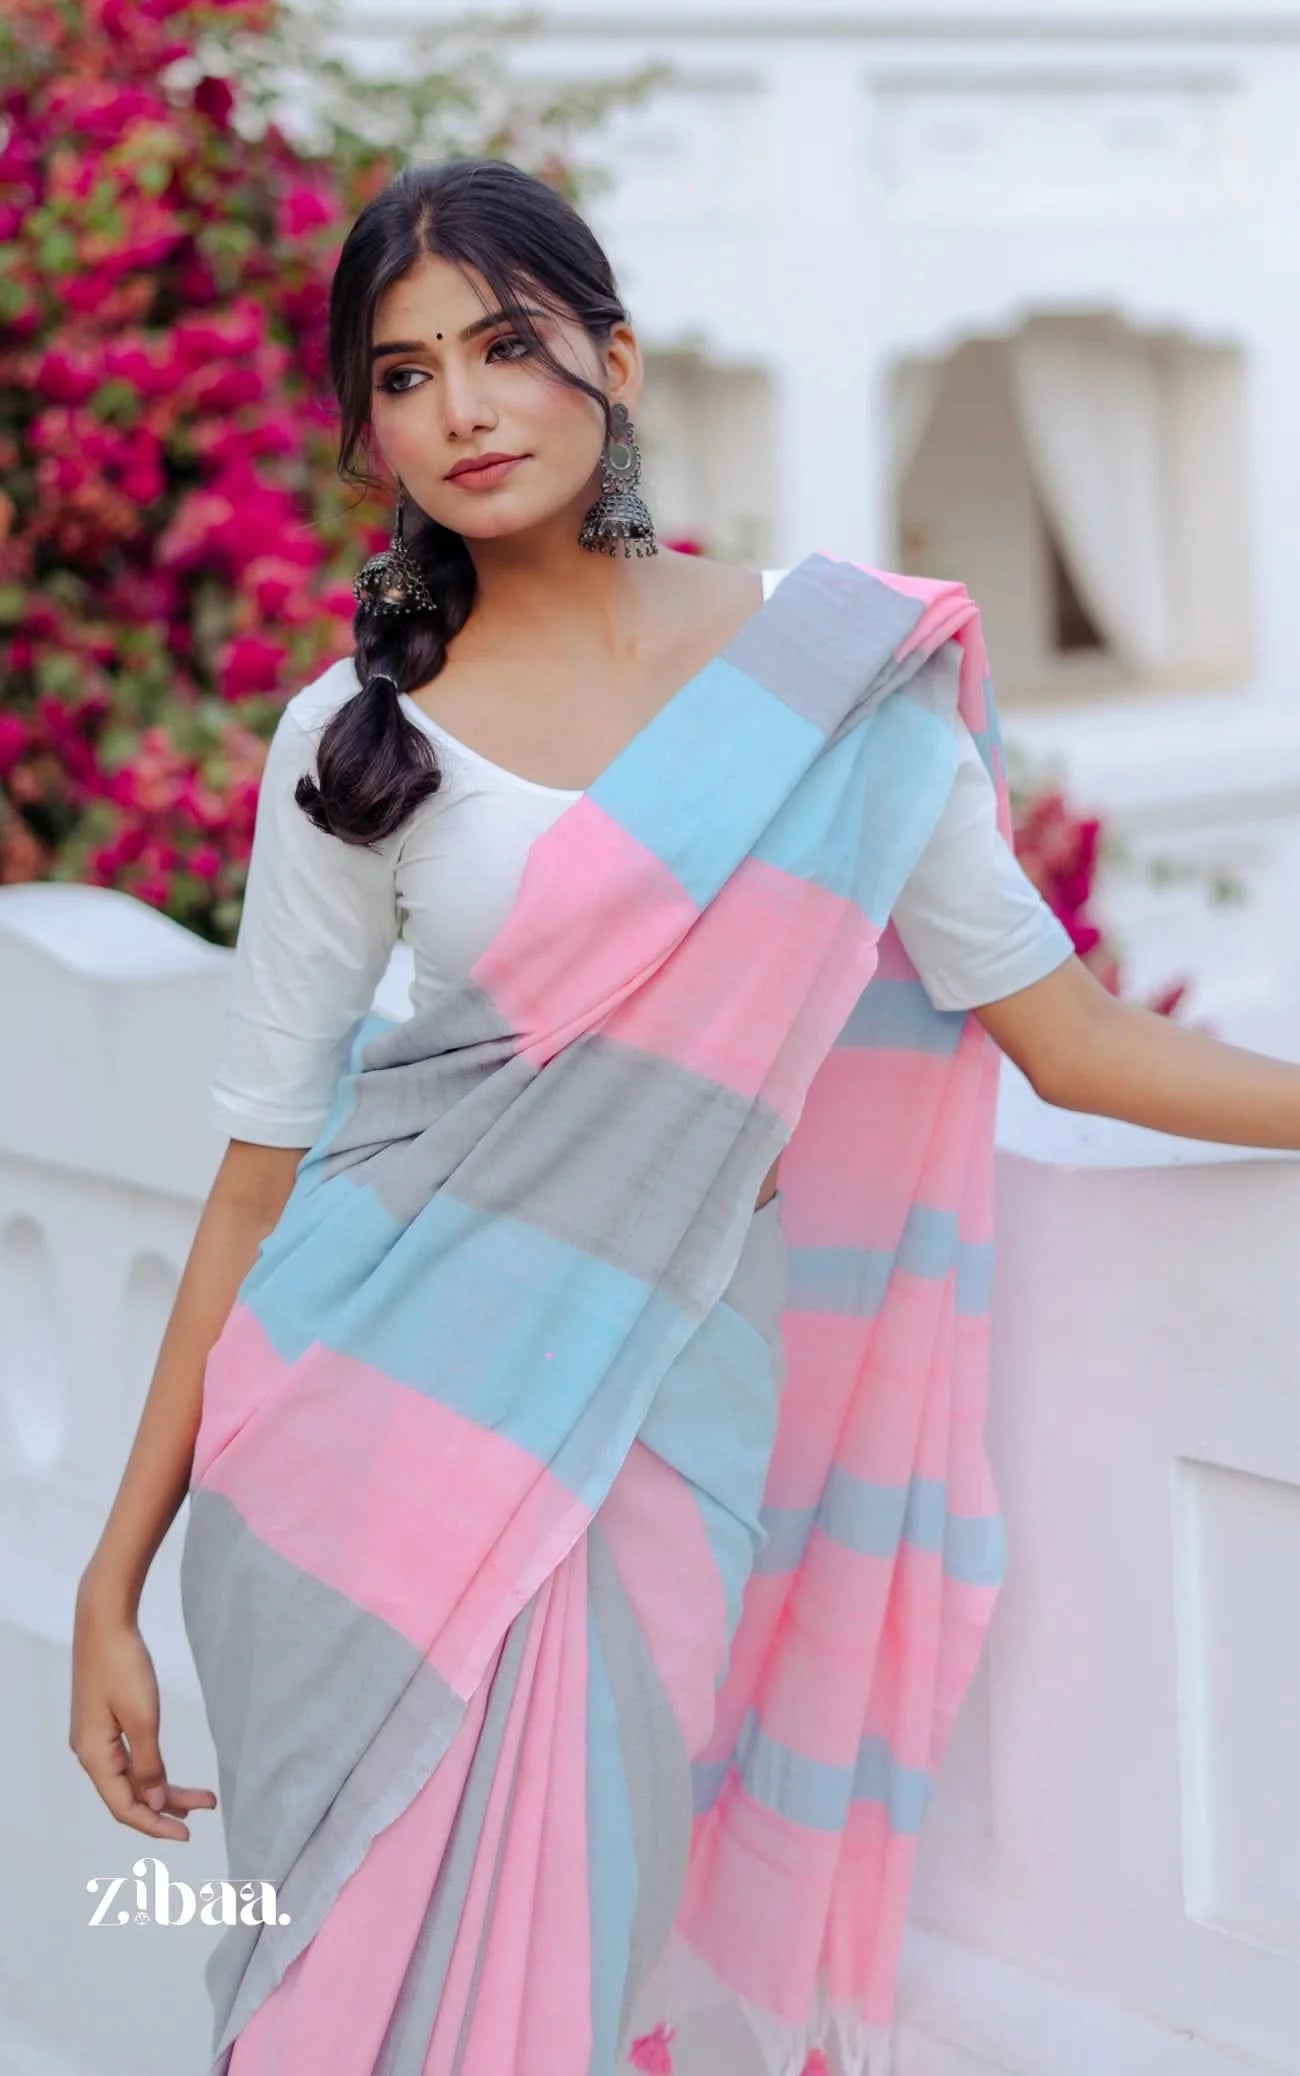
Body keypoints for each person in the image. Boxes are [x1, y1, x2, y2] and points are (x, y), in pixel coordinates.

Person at [69, 157, 1300, 2076]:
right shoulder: (351, 737)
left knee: (575, 1964)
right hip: (342, 1459)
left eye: (503, 346)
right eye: (400, 376)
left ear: (614, 362)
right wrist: (112, 1579)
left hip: (663, 1429)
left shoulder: (837, 688)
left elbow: (1061, 1035)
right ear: (364, 430)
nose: (459, 409)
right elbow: (256, 1175)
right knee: (327, 2008)